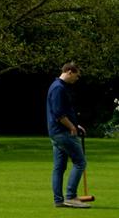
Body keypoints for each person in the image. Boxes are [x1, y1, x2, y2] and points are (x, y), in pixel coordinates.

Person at [47, 62, 89, 209]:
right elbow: (59, 114)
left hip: (56, 132)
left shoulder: (57, 86)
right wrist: (72, 127)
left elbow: (61, 111)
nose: (76, 79)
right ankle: (71, 196)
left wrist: (75, 124)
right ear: (70, 72)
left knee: (59, 167)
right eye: (76, 76)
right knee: (80, 162)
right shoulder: (58, 88)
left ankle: (59, 200)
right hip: (62, 132)